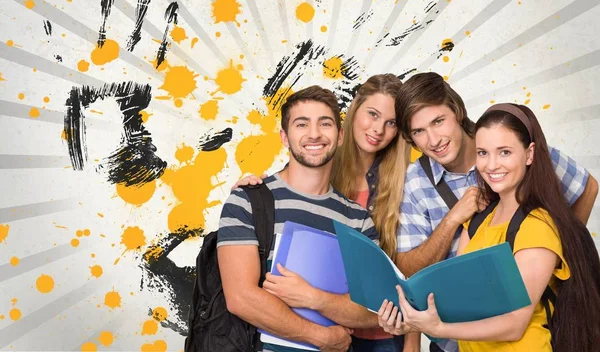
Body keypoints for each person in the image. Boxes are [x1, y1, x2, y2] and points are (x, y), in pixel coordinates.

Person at [388, 72, 598, 352]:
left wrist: (558, 255)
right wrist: (414, 323)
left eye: (439, 121)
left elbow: (515, 323)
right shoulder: (473, 220)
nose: (434, 139)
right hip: (458, 341)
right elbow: (451, 284)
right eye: (419, 131)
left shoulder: (536, 221)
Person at [234, 74, 421, 351]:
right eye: (372, 114)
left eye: (391, 122)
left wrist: (312, 298)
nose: (378, 129)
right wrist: (253, 193)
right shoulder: (283, 183)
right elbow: (241, 295)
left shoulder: (395, 190)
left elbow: (400, 284)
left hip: (374, 332)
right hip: (303, 335)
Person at [218, 85, 381, 352]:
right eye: (302, 124)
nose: (314, 134)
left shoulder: (358, 219)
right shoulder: (248, 200)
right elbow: (240, 298)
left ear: (340, 136)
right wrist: (319, 336)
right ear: (284, 136)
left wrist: (313, 298)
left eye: (325, 124)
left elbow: (373, 310)